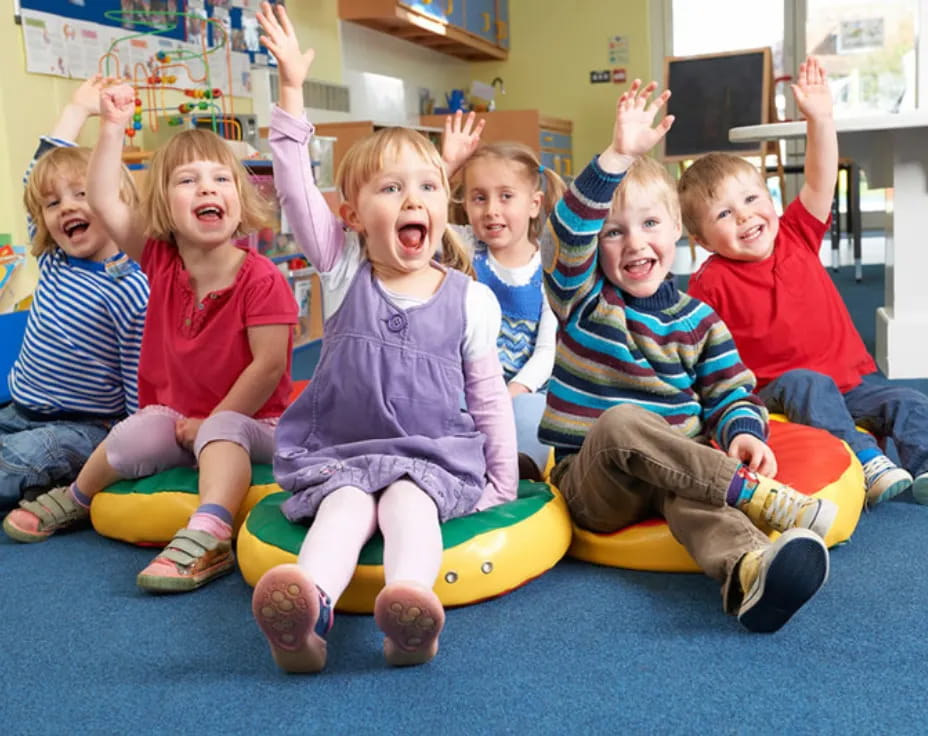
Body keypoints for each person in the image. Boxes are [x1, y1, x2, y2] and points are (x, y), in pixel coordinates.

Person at [253, 2, 516, 672]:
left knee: (409, 507)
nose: (412, 199)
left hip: (428, 457)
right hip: (344, 450)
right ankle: (305, 615)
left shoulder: (471, 300)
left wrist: (501, 483)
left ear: (443, 206)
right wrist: (289, 91)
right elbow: (293, 189)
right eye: (390, 188)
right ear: (350, 217)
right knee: (343, 508)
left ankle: (409, 613)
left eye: (428, 186)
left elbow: (488, 399)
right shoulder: (342, 269)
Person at [541, 79, 835, 633]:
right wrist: (616, 158)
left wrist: (743, 431)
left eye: (651, 224)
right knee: (625, 421)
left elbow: (729, 391)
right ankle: (754, 495)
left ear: (679, 230)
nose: (634, 244)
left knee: (694, 498)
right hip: (596, 483)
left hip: (678, 471)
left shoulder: (700, 320)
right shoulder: (582, 303)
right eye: (613, 233)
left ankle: (750, 573)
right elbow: (568, 233)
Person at [2, 81, 297, 595]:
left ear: (239, 195)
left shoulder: (262, 278)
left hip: (254, 424)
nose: (207, 189)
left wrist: (212, 420)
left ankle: (209, 533)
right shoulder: (160, 262)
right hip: (180, 422)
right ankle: (78, 495)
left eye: (220, 179)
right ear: (162, 204)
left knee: (222, 431)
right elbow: (101, 198)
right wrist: (111, 126)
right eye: (188, 181)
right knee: (135, 430)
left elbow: (268, 367)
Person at [680, 56, 928, 506]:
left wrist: (820, 118)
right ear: (699, 239)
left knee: (909, 401)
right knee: (806, 384)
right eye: (723, 214)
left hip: (853, 385)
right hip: (780, 394)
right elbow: (694, 347)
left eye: (752, 199)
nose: (745, 216)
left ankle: (924, 465)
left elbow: (819, 179)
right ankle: (865, 460)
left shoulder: (795, 233)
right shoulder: (710, 281)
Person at [0, 75, 149, 512]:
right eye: (54, 204)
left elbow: (138, 378)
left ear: (113, 200)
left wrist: (136, 448)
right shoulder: (52, 258)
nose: (65, 207)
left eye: (83, 195)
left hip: (84, 426)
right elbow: (36, 176)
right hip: (18, 409)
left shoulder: (129, 285)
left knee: (17, 462)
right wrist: (77, 111)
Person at [441, 112, 565, 479]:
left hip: (522, 390)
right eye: (479, 198)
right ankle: (457, 461)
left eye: (506, 196)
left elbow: (546, 351)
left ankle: (517, 469)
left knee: (535, 416)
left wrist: (511, 392)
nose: (491, 210)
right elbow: (423, 210)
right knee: (443, 407)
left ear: (533, 204)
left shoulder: (550, 268)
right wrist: (447, 166)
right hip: (468, 385)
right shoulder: (463, 248)